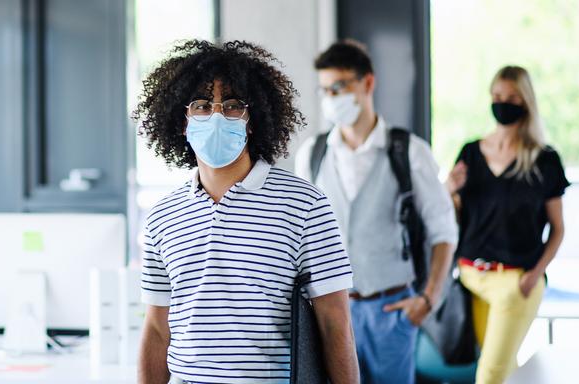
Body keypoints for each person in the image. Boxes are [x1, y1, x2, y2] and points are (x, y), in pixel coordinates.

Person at [133, 40, 359, 384]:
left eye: (233, 105)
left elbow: (335, 322)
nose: (218, 115)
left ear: (252, 121)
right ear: (183, 121)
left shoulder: (306, 205)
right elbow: (156, 329)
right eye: (202, 105)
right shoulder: (161, 218)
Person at [294, 40, 458, 383]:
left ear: (367, 83)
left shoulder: (409, 152)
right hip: (330, 310)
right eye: (325, 90)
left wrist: (427, 300)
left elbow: (443, 231)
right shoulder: (313, 154)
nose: (331, 98)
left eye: (339, 87)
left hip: (392, 310)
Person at [445, 65, 568, 383]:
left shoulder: (545, 160)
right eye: (497, 96)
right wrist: (450, 192)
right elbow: (454, 220)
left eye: (512, 97)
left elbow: (558, 229)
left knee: (491, 374)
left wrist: (535, 273)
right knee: (506, 369)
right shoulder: (471, 153)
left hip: (515, 281)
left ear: (526, 101)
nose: (503, 103)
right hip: (472, 276)